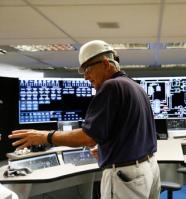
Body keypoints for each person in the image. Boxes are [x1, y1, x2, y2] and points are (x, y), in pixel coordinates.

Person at [9, 40, 161, 199]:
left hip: (126, 175)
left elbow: (88, 138)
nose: (86, 77)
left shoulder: (110, 86)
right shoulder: (134, 86)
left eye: (88, 69)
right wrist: (105, 148)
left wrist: (45, 137)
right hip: (149, 168)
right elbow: (129, 130)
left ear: (105, 64)